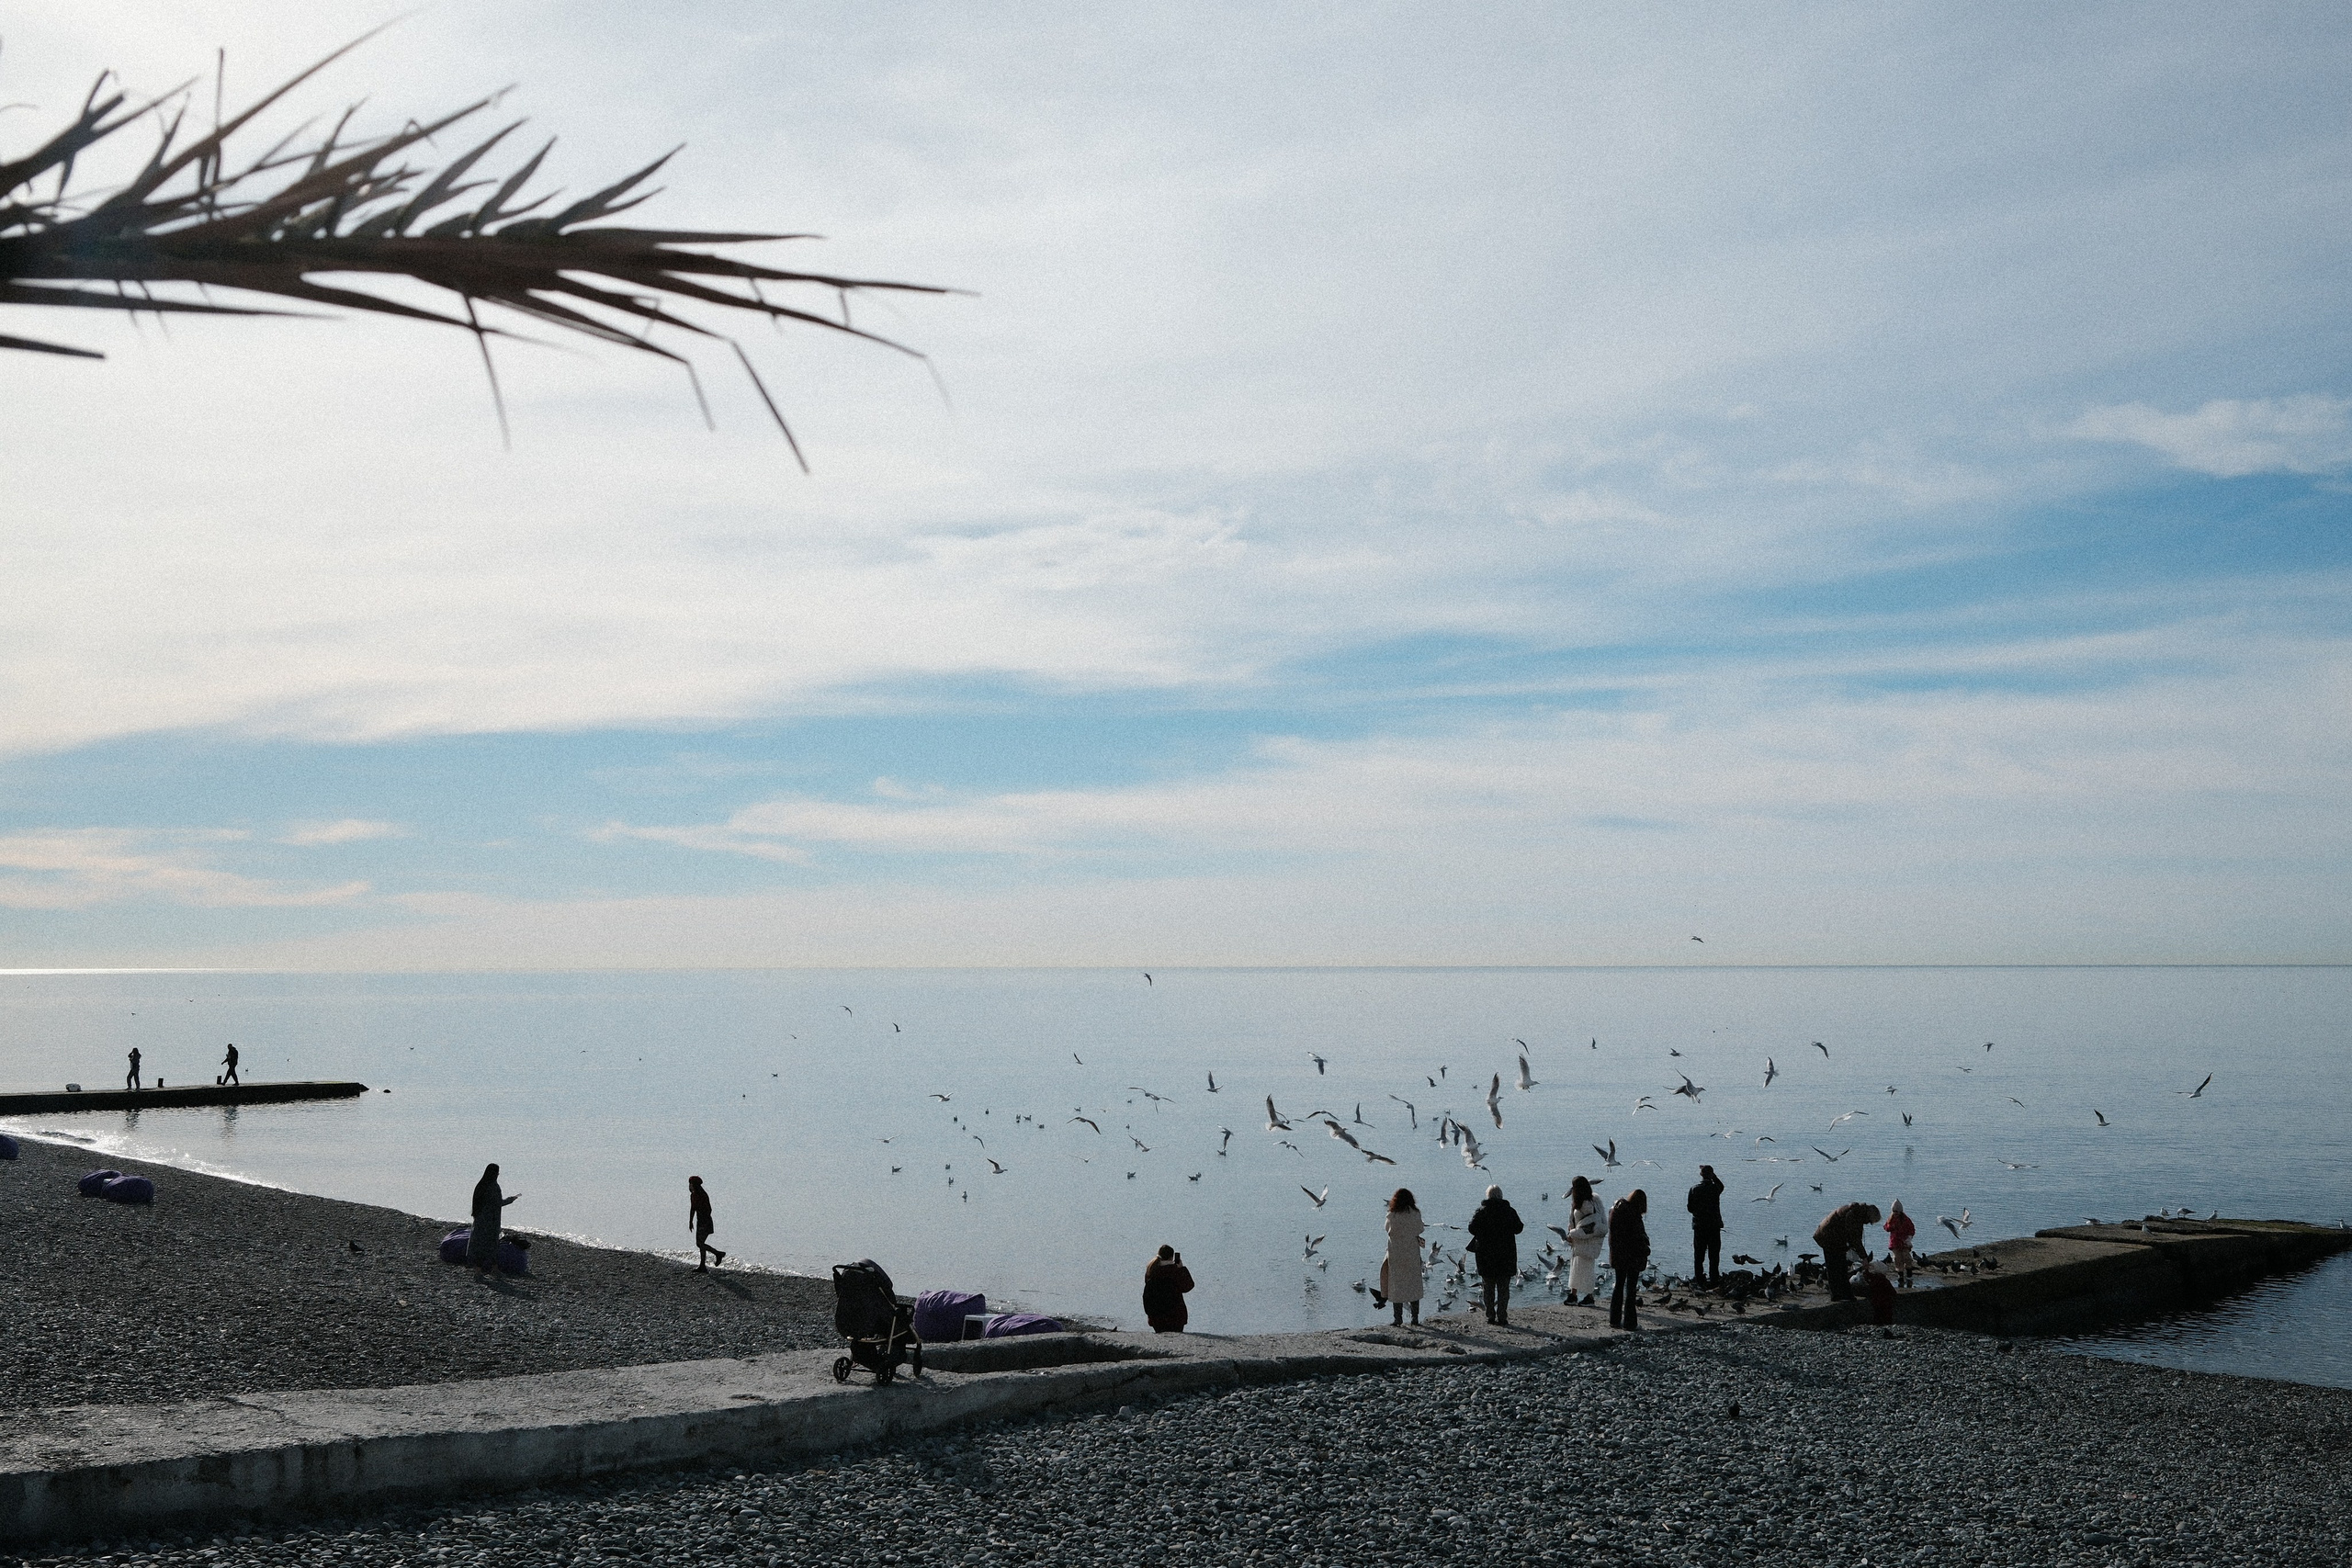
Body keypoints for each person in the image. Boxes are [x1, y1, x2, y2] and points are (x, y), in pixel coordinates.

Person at [1466, 1184, 1523, 1325]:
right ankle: (1502, 1316)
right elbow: (1519, 1228)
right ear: (1501, 1195)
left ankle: (1490, 1315)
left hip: (1486, 1256)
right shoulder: (1509, 1211)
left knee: (1488, 1287)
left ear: (1488, 1196)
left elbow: (1471, 1228)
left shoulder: (1481, 1211)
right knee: (1504, 1289)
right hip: (1506, 1255)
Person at [1813, 1201, 1882, 1303]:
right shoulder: (1855, 1215)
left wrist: (1862, 1255)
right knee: (1835, 1267)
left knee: (1840, 1266)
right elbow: (1855, 1239)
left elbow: (1855, 1237)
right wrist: (1864, 1258)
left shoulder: (1858, 1213)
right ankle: (1838, 1295)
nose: (1869, 1224)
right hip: (1828, 1236)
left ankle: (1842, 1294)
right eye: (1871, 1222)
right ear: (1869, 1216)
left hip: (1834, 1237)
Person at [1378, 1188, 1425, 1326]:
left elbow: (1387, 1229)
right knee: (1413, 1284)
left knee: (1396, 1285)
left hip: (1396, 1254)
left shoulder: (1392, 1215)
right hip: (1411, 1253)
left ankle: (1398, 1319)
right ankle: (1415, 1318)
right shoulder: (1415, 1213)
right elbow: (1420, 1229)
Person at [1608, 1189, 1651, 1330]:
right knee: (1631, 1290)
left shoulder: (1616, 1211)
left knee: (1618, 1286)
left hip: (1617, 1254)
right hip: (1632, 1256)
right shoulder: (1633, 1215)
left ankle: (1614, 1320)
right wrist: (1646, 1249)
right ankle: (1630, 1323)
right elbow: (1636, 1238)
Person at [468, 1162, 521, 1276]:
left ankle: (478, 1270)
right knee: (492, 1245)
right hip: (491, 1221)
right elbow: (498, 1203)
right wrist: (511, 1199)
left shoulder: (480, 1185)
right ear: (495, 1174)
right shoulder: (494, 1187)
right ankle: (495, 1269)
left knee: (479, 1245)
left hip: (480, 1220)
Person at [1565, 1175, 1605, 1304]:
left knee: (1584, 1269)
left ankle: (1587, 1296)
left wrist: (1572, 1234)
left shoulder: (1585, 1204)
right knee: (1578, 1267)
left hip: (1584, 1241)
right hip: (1582, 1242)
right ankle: (1575, 1295)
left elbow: (1589, 1226)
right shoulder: (1594, 1200)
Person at [1687, 1164, 1725, 1288]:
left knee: (1699, 1254)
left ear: (1700, 1175)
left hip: (1699, 1226)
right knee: (1714, 1255)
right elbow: (1721, 1186)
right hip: (1714, 1226)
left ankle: (1699, 1279)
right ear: (1711, 1175)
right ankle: (1714, 1279)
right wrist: (1713, 1175)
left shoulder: (1694, 1189)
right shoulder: (1715, 1188)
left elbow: (1690, 1208)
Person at [1143, 1244, 1194, 1332]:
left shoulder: (1151, 1269)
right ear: (1172, 1257)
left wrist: (1150, 1315)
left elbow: (1147, 1294)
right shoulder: (1174, 1270)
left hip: (1156, 1317)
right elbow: (1188, 1286)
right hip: (1176, 1317)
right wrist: (1182, 1268)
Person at [687, 1175, 726, 1270]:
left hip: (704, 1221)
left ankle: (718, 1254)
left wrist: (702, 1218)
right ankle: (702, 1265)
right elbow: (693, 1209)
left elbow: (708, 1209)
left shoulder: (701, 1195)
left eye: (690, 1184)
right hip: (701, 1221)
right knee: (701, 1243)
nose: (689, 1186)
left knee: (700, 1243)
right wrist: (691, 1221)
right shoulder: (694, 1195)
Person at [1884, 1199, 1917, 1289]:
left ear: (1901, 1211)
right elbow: (1886, 1228)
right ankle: (1900, 1275)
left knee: (1907, 1257)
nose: (1895, 1213)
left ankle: (1909, 1274)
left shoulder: (1906, 1220)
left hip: (1904, 1242)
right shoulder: (1890, 1219)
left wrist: (1909, 1237)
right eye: (1894, 1211)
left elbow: (1912, 1229)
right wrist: (1891, 1226)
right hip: (1895, 1242)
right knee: (1897, 1259)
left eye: (1897, 1211)